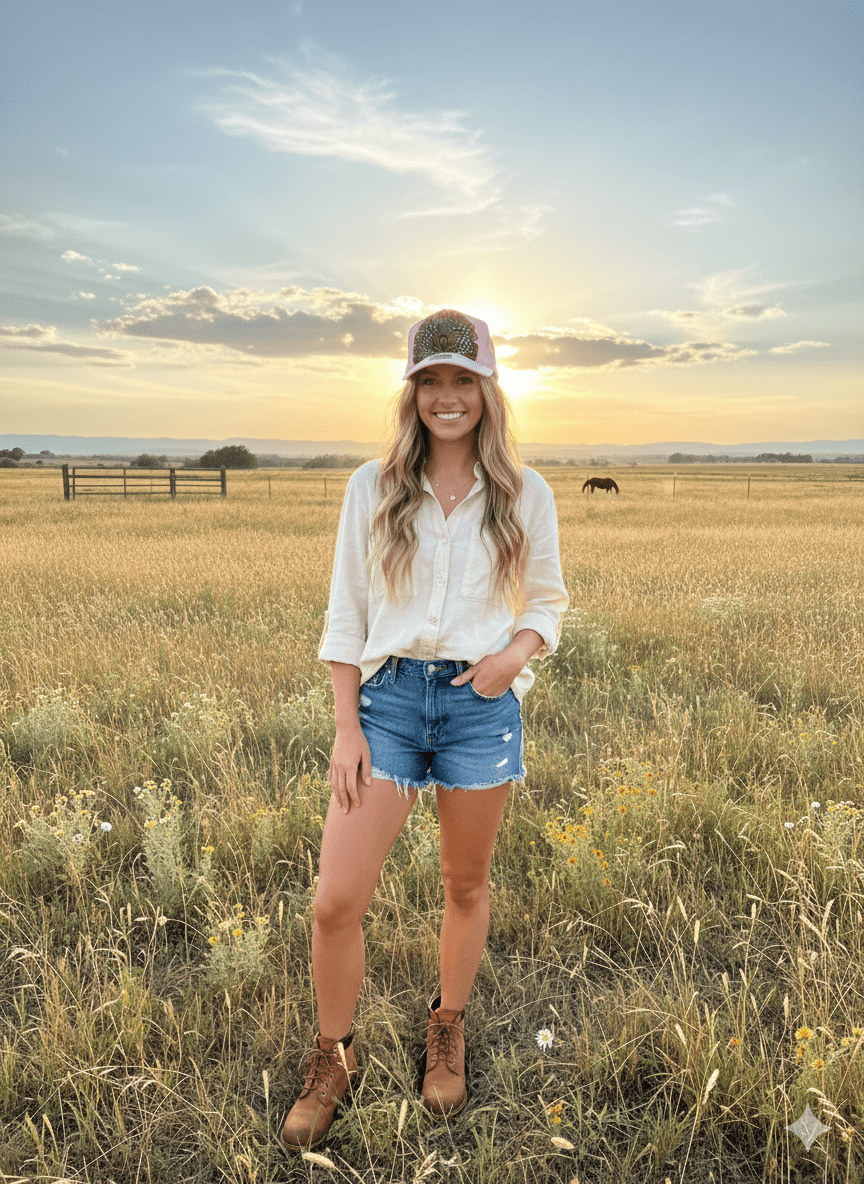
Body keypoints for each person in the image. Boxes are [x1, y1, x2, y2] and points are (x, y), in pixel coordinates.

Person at [281, 309, 569, 1150]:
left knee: (464, 885)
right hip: (390, 705)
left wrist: (516, 652)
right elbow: (347, 613)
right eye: (430, 381)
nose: (448, 397)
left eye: (463, 380)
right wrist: (347, 728)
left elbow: (547, 602)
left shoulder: (526, 491)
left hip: (481, 709)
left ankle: (448, 1028)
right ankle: (333, 1056)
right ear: (412, 393)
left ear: (487, 389)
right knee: (336, 902)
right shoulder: (373, 486)